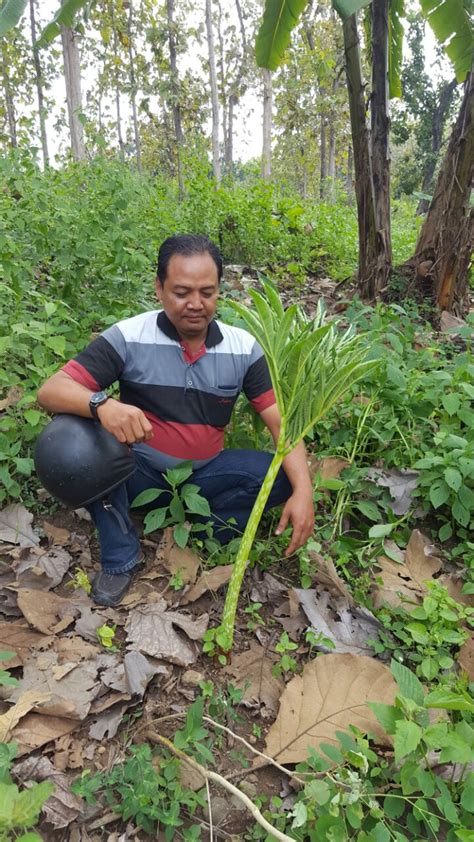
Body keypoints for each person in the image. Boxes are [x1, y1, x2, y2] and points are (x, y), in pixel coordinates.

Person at [37, 234, 314, 605]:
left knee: (285, 476)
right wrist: (103, 404)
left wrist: (305, 491)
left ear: (220, 291)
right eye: (182, 292)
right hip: (136, 472)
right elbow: (51, 390)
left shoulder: (243, 348)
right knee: (77, 447)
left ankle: (204, 525)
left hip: (206, 473)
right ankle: (121, 555)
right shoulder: (130, 336)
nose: (195, 304)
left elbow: (282, 424)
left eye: (207, 292)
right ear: (159, 288)